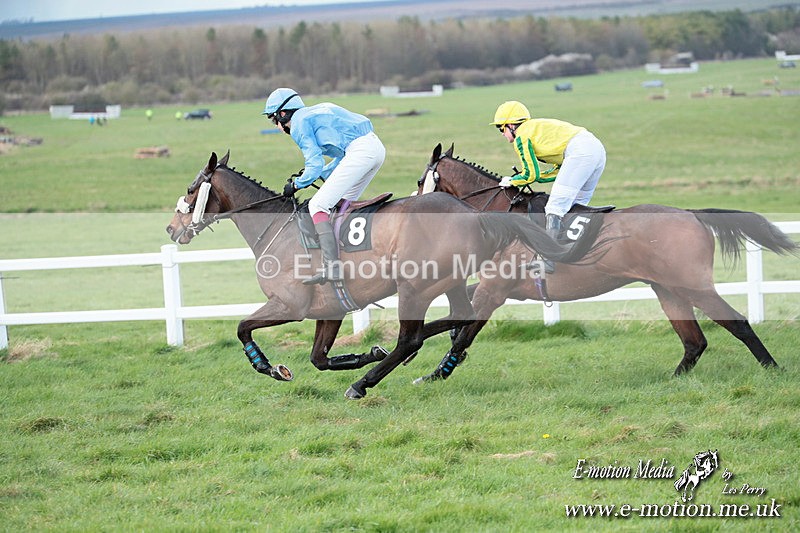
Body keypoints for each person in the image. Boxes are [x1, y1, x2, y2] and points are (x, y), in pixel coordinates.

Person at [263, 87, 386, 285]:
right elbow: (339, 158)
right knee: (342, 204)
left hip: (360, 152)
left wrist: (296, 184)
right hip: (375, 148)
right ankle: (352, 256)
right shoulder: (317, 110)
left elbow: (315, 163)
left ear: (283, 114)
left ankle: (331, 267)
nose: (277, 126)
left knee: (317, 206)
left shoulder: (298, 124)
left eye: (274, 119)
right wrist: (319, 175)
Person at [491, 100, 606, 272]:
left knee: (554, 207)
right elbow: (554, 172)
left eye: (501, 128)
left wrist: (513, 180)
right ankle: (575, 248)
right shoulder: (535, 129)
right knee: (576, 205)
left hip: (580, 151)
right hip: (595, 149)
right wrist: (524, 178)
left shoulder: (521, 136)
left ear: (511, 125)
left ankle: (548, 258)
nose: (501, 133)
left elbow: (530, 174)